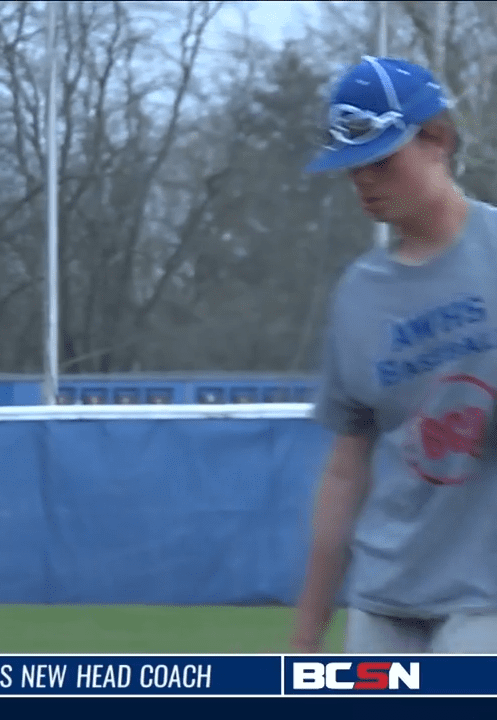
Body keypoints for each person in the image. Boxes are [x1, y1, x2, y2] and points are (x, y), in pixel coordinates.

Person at [292, 56, 497, 653]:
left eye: (382, 160)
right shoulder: (359, 294)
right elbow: (345, 468)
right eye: (352, 166)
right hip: (383, 600)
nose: (364, 180)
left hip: (484, 597)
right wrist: (307, 630)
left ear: (438, 139)